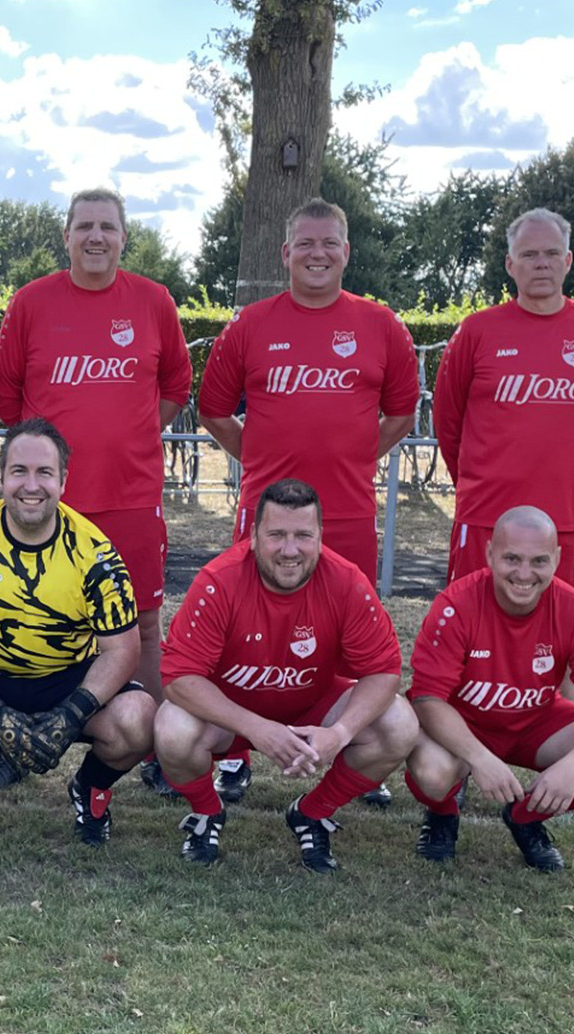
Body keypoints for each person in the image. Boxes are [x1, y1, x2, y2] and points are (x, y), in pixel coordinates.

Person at [192, 197, 419, 810]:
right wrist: (260, 461)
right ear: (285, 252)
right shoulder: (250, 324)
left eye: (330, 243)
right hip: (265, 517)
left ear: (347, 251)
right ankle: (235, 754)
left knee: (350, 639)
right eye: (306, 244)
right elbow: (213, 410)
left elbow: (401, 413)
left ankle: (348, 749)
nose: (318, 254)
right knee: (244, 633)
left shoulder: (381, 325)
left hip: (347, 511)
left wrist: (355, 457)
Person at [0, 188, 191, 791]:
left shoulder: (153, 301)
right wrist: (44, 460)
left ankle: (154, 750)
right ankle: (14, 744)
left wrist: (126, 436)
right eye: (84, 226)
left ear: (124, 237)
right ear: (67, 236)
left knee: (143, 624)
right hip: (45, 503)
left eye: (107, 226)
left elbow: (175, 388)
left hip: (130, 496)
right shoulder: (31, 302)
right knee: (24, 619)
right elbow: (5, 394)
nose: (96, 237)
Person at [0, 418, 156, 847]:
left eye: (44, 473)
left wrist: (72, 714)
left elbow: (123, 650)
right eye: (19, 471)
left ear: (63, 481)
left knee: (140, 719)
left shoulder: (96, 552)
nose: (31, 485)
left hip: (68, 676)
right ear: (1, 476)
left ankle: (90, 788)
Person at [154, 479, 417, 871]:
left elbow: (383, 671)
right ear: (254, 536)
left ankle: (312, 813)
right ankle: (207, 812)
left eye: (303, 536)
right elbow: (179, 678)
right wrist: (256, 728)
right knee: (172, 726)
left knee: (399, 723)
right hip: (231, 715)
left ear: (320, 538)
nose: (289, 550)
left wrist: (339, 733)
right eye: (276, 535)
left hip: (312, 706)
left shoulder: (346, 581)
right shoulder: (219, 581)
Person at [403, 505, 574, 872]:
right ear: (490, 554)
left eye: (539, 561)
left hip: (535, 723)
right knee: (433, 772)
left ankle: (525, 817)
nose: (524, 574)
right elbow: (427, 698)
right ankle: (443, 813)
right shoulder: (456, 605)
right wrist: (480, 759)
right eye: (512, 558)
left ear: (557, 559)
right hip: (465, 725)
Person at [433, 207, 574, 597]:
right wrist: (476, 483)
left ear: (567, 261)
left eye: (552, 253)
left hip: (568, 515)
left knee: (563, 625)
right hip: (488, 514)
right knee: (474, 622)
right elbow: (447, 420)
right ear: (510, 264)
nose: (542, 263)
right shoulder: (477, 330)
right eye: (529, 254)